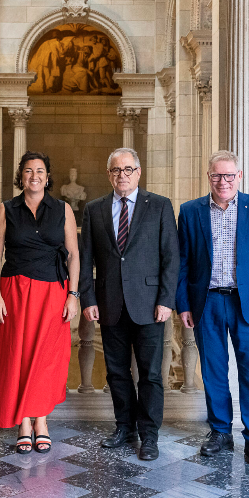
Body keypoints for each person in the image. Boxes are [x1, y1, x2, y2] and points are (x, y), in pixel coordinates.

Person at [176, 150, 249, 468]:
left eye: (228, 175)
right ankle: (220, 432)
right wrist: (184, 303)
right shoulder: (191, 211)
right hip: (206, 303)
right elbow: (182, 263)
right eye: (216, 175)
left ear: (239, 176)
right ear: (208, 177)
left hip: (246, 303)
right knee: (213, 372)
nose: (222, 181)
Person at [79, 148, 179, 461]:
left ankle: (149, 435)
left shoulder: (160, 206)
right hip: (109, 304)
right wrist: (88, 297)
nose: (122, 175)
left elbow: (170, 257)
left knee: (150, 374)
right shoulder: (94, 209)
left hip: (150, 305)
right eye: (116, 170)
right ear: (109, 174)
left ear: (138, 172)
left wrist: (166, 299)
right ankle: (124, 427)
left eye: (128, 169)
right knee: (117, 372)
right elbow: (85, 259)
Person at [0, 151, 80, 454]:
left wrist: (73, 295)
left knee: (46, 358)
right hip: (15, 290)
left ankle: (41, 421)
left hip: (53, 291)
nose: (34, 176)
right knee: (18, 356)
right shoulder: (6, 209)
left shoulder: (63, 209)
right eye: (27, 171)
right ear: (20, 176)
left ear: (48, 177)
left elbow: (73, 254)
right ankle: (23, 421)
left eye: (40, 171)